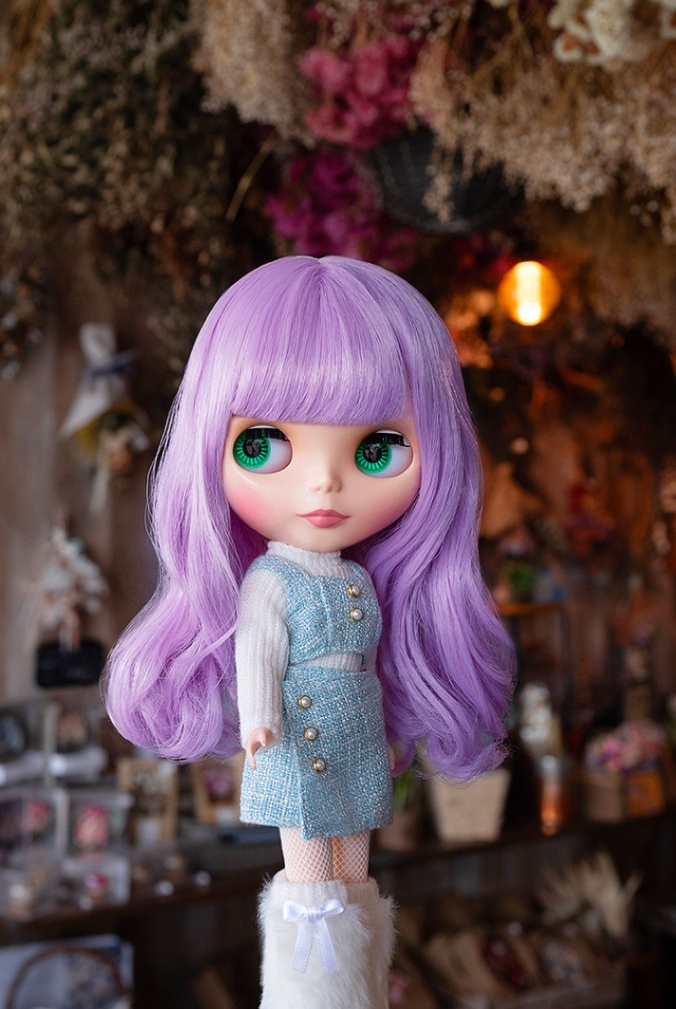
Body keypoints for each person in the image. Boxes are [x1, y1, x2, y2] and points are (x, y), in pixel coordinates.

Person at [104, 256, 514, 1007]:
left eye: (374, 449)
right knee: (309, 870)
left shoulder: (360, 577)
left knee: (353, 859)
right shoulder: (271, 579)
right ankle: (315, 979)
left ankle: (354, 966)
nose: (324, 483)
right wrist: (259, 717)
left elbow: (373, 653)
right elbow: (258, 650)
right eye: (263, 445)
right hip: (294, 731)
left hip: (354, 723)